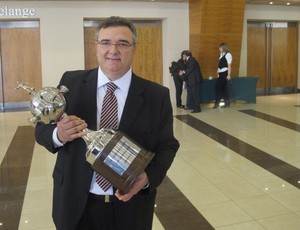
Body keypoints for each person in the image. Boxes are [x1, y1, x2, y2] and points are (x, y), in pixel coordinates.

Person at [35, 16, 179, 230]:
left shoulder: (156, 95)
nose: (113, 50)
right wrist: (59, 135)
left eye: (122, 43)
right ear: (96, 46)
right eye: (106, 42)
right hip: (76, 206)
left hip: (130, 207)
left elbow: (167, 145)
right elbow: (42, 129)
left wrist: (148, 178)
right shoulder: (71, 84)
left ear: (134, 48)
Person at [213, 43, 232, 108]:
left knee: (218, 87)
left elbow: (229, 65)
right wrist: (217, 72)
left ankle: (217, 104)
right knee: (224, 88)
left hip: (225, 73)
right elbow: (220, 64)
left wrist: (229, 74)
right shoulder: (221, 54)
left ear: (223, 48)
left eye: (220, 48)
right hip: (221, 73)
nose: (219, 49)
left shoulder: (228, 54)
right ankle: (227, 103)